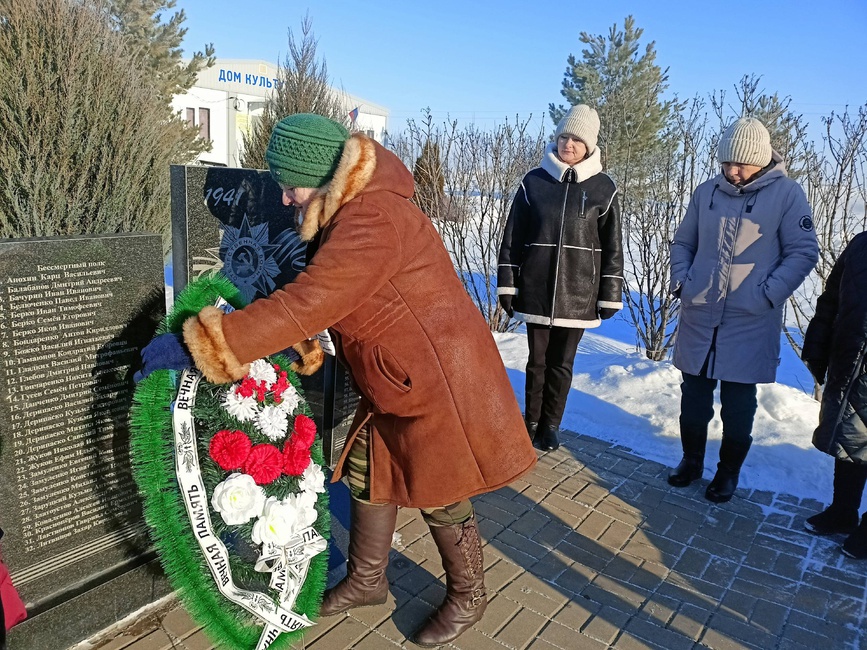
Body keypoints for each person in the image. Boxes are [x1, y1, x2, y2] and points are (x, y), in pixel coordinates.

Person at [138, 113, 537, 646]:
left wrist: (202, 345)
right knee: (371, 470)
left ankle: (470, 595)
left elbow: (311, 300)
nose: (285, 198)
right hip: (397, 372)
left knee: (440, 486)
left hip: (435, 374)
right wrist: (298, 341)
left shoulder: (373, 218)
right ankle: (368, 581)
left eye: (290, 185)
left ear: (323, 176)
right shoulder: (356, 207)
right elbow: (336, 296)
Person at [668, 117, 819, 503]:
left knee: (738, 404)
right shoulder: (706, 192)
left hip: (749, 318)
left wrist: (766, 295)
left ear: (762, 160)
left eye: (741, 164)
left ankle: (728, 472)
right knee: (694, 397)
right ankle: (691, 460)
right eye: (726, 163)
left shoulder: (787, 194)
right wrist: (684, 281)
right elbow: (683, 243)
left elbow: (803, 252)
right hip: (701, 312)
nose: (732, 171)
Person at [497, 104, 623, 452]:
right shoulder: (534, 182)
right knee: (536, 362)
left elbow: (613, 246)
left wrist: (610, 292)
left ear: (589, 146)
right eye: (564, 137)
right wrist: (508, 282)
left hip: (578, 293)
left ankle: (551, 425)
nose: (568, 144)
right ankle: (531, 422)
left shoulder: (604, 188)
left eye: (577, 140)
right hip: (536, 288)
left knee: (562, 364)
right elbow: (512, 237)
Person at [801, 232, 867, 559]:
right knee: (849, 438)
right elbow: (831, 298)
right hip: (850, 361)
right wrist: (817, 345)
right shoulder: (861, 244)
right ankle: (843, 511)